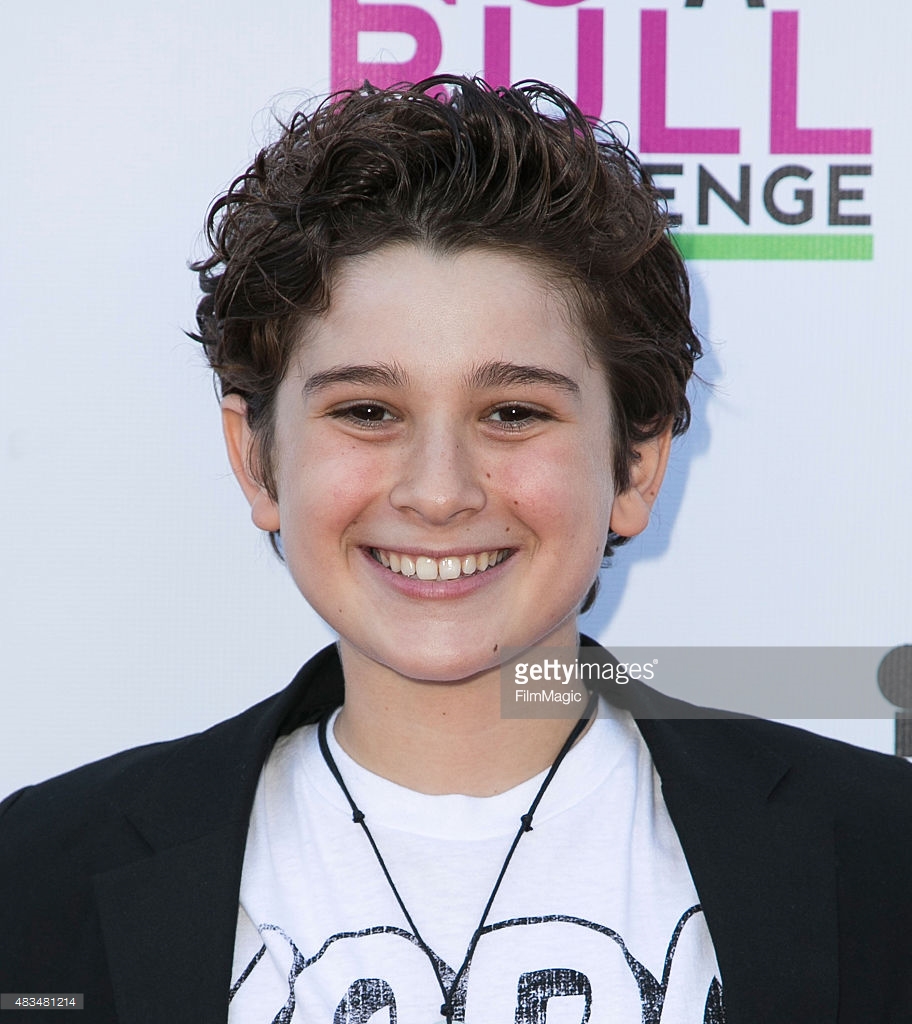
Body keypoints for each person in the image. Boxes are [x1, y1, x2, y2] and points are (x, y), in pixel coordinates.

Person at [1, 76, 910, 1023]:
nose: (439, 491)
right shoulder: (39, 876)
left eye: (513, 412)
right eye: (367, 412)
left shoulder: (884, 857)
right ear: (258, 460)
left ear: (637, 466)